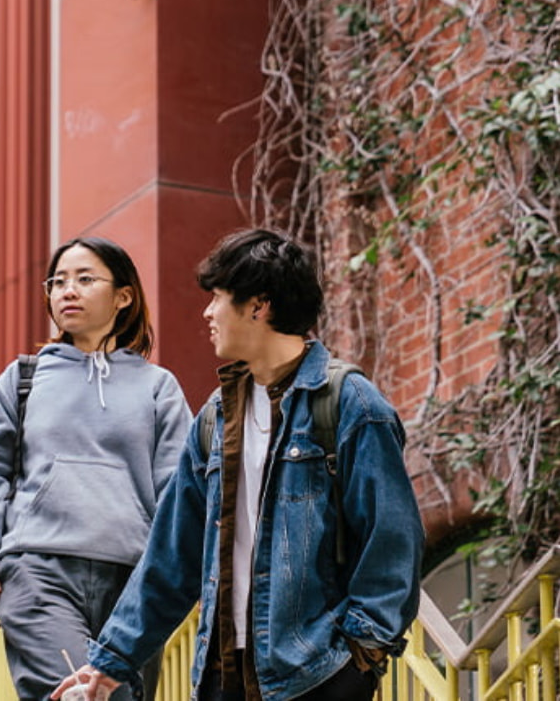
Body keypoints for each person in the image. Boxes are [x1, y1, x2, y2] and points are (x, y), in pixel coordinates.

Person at [52, 228, 425, 701]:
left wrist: (360, 657)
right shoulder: (216, 417)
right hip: (222, 671)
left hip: (316, 673)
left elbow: (393, 543)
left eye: (218, 299)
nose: (207, 313)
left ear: (258, 306)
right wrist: (111, 663)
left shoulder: (349, 405)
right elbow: (172, 554)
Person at [0, 236, 191, 701]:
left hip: (134, 581)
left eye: (85, 279)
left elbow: (178, 493)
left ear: (124, 296)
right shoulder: (23, 379)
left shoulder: (158, 387)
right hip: (38, 571)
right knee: (76, 697)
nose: (68, 291)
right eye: (58, 281)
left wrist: (171, 578)